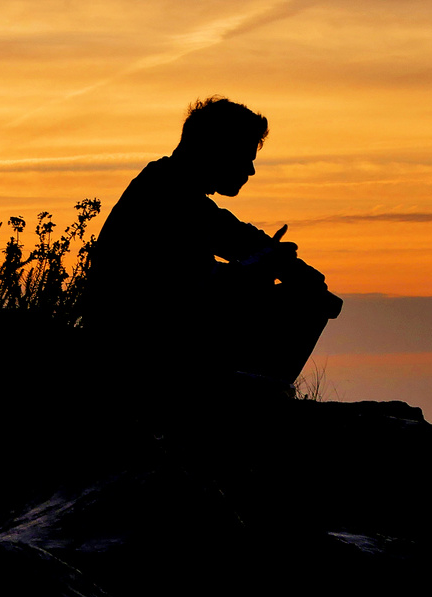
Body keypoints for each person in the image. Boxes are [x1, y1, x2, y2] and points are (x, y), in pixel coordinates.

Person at [81, 96, 342, 399]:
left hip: (152, 341)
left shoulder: (173, 187)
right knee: (308, 302)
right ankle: (254, 399)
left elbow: (233, 234)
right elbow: (195, 288)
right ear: (218, 149)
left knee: (309, 296)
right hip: (141, 353)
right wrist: (264, 267)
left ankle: (257, 391)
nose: (251, 170)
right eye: (245, 156)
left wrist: (279, 261)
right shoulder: (165, 195)